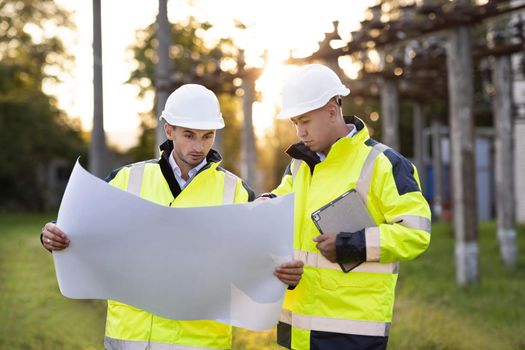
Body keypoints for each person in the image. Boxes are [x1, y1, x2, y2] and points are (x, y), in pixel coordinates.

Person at [40, 84, 304, 350]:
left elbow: (258, 262)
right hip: (131, 339)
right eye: (189, 135)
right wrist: (52, 235)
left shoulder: (236, 192)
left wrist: (284, 275)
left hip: (200, 342)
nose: (198, 146)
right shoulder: (126, 179)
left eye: (207, 136)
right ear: (169, 130)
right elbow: (82, 234)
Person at [267, 64, 431, 349]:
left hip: (351, 329)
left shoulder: (384, 163)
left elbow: (415, 232)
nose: (300, 131)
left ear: (332, 111)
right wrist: (261, 207)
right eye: (295, 123)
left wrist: (351, 244)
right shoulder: (299, 166)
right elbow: (280, 203)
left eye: (305, 120)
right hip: (296, 324)